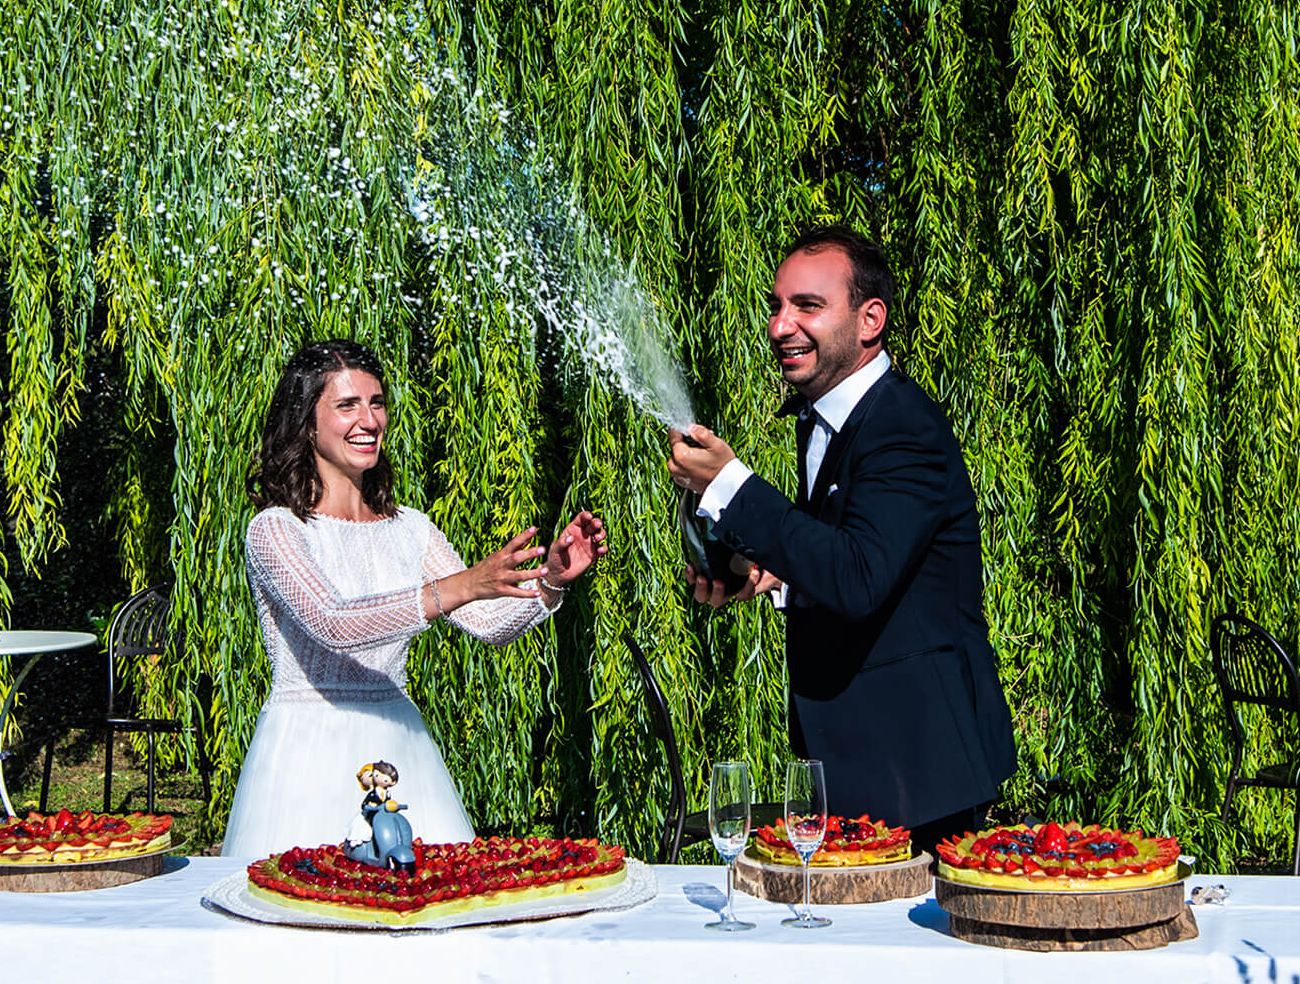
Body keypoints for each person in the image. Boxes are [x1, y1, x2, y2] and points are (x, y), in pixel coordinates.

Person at [667, 225, 1015, 854]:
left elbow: (858, 579)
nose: (780, 326)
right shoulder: (828, 419)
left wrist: (730, 484)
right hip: (860, 764)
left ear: (869, 319)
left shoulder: (903, 426)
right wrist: (768, 573)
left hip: (919, 770)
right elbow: (851, 552)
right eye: (777, 306)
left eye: (808, 306)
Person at [220, 339, 606, 860]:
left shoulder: (410, 528)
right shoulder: (275, 530)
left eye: (376, 403)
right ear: (307, 422)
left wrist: (552, 580)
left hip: (399, 747)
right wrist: (460, 585)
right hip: (306, 754)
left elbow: (488, 622)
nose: (369, 420)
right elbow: (333, 623)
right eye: (347, 405)